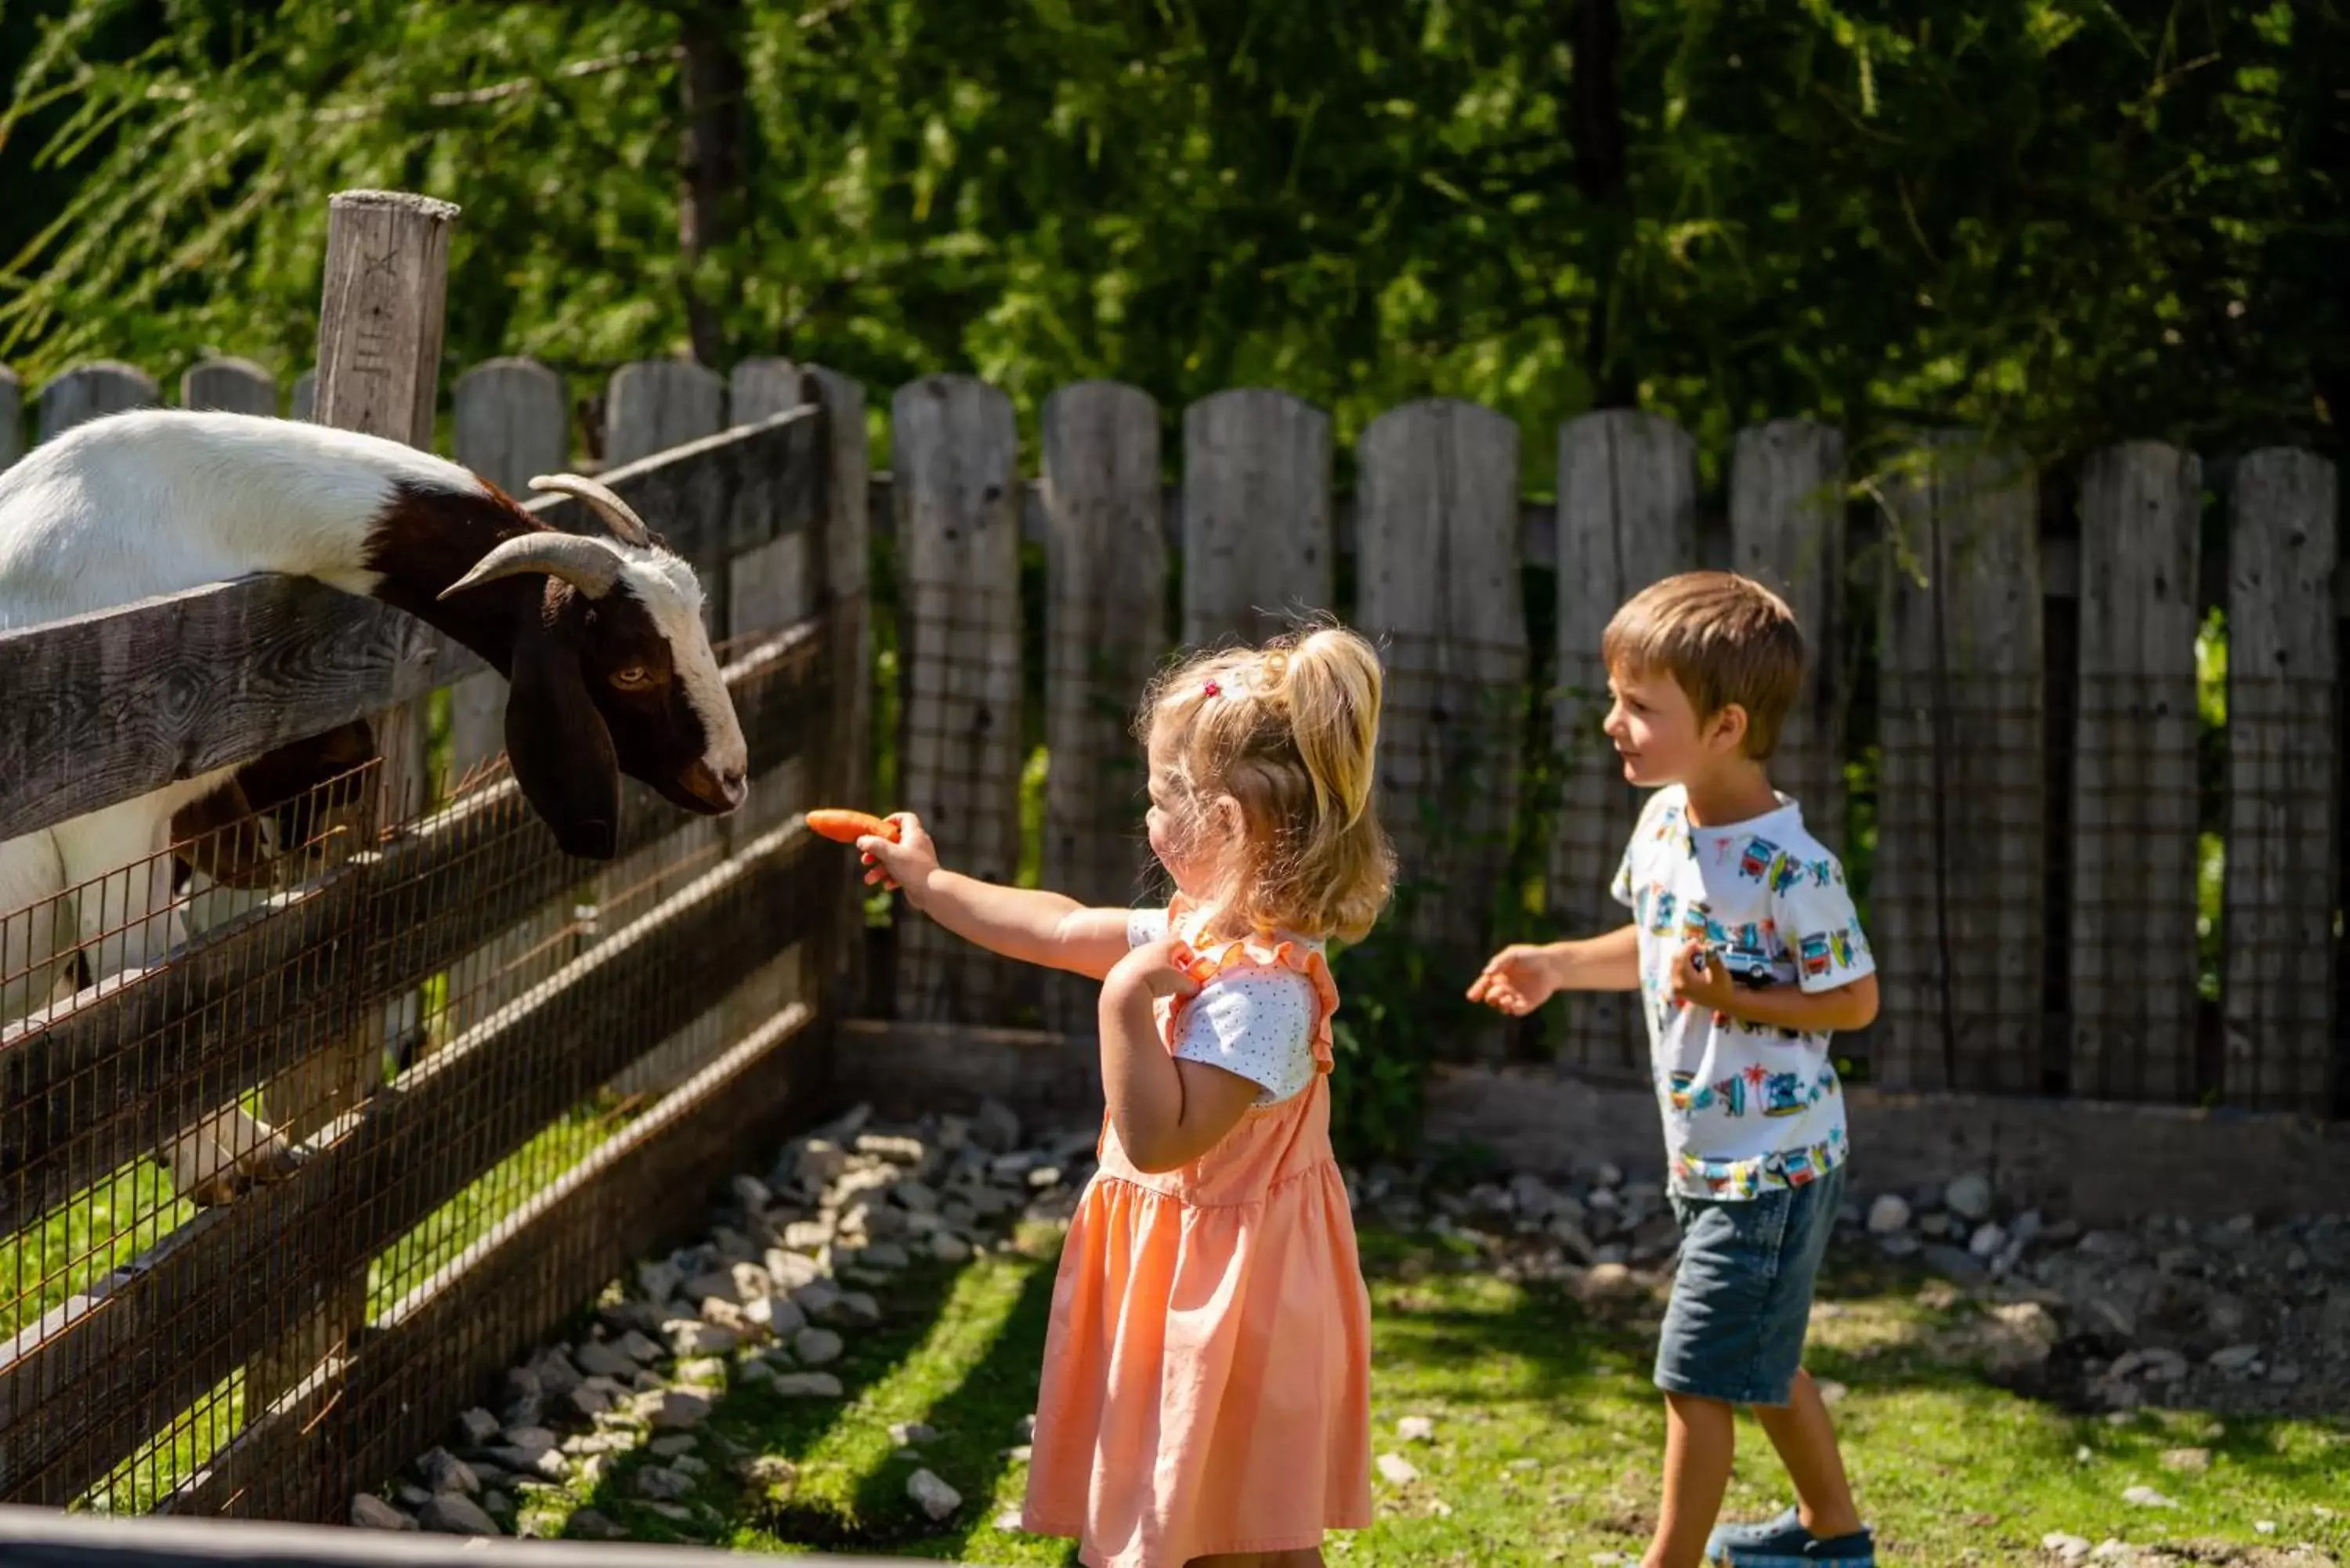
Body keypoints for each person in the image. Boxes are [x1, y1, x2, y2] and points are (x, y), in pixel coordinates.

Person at [857, 623, 1394, 1568]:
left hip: (1233, 1305)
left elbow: (1160, 1141)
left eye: (1159, 799)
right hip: (1190, 1279)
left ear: (1225, 825)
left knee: (1247, 1536)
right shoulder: (1205, 930)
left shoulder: (1260, 992)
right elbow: (1062, 926)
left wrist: (1122, 1004)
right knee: (1207, 1512)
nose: (1145, 820)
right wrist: (934, 884)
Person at [1470, 572, 1881, 1568]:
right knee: (1763, 1357)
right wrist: (1556, 965)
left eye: (1640, 707)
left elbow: (1855, 1001)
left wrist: (1738, 999)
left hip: (1774, 1165)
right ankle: (1836, 1538)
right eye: (1617, 698)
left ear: (1728, 723)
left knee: (1695, 1375)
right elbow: (1652, 942)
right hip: (1709, 1156)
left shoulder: (1793, 869)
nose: (1614, 723)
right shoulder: (1665, 823)